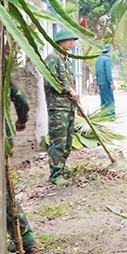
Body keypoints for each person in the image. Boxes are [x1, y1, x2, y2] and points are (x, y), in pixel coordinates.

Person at [45, 29, 79, 187]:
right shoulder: (52, 59)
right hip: (57, 108)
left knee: (67, 142)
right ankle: (55, 174)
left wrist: (75, 98)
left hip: (69, 107)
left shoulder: (66, 61)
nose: (72, 43)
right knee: (58, 141)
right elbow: (50, 81)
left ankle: (62, 168)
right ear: (59, 42)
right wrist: (68, 89)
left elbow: (70, 83)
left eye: (73, 40)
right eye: (68, 40)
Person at [6, 82, 36, 253]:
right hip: (4, 135)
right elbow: (21, 100)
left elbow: (21, 98)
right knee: (3, 188)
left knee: (2, 191)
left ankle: (23, 235)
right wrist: (22, 119)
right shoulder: (3, 72)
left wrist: (22, 119)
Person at [95, 44, 116, 119]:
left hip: (100, 83)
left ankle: (104, 115)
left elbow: (96, 72)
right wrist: (111, 82)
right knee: (109, 99)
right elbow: (108, 72)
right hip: (106, 83)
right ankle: (110, 116)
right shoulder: (107, 60)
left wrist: (97, 83)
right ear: (109, 51)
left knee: (103, 100)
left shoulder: (98, 59)